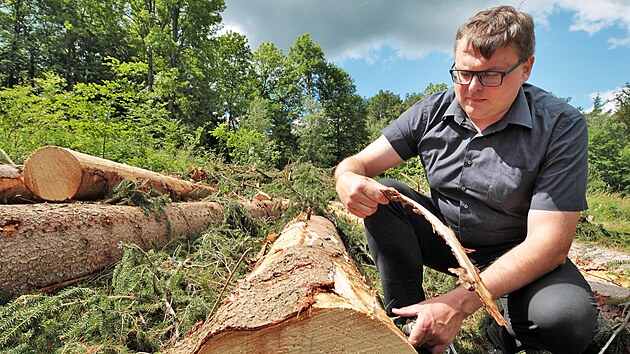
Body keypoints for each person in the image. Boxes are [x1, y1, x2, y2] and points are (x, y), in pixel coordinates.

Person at [334, 5, 598, 354]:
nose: (472, 88)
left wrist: (458, 303)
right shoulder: (430, 112)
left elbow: (550, 244)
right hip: (449, 242)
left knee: (566, 320)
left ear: (526, 69)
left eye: (490, 76)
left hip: (518, 252)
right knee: (387, 197)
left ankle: (510, 328)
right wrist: (346, 178)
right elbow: (358, 163)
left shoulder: (560, 126)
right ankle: (411, 325)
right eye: (462, 73)